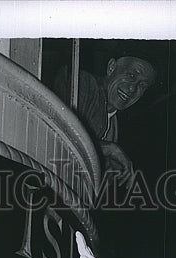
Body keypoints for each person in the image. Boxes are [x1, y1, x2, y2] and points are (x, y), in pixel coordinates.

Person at [55, 55, 157, 185]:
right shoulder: (83, 82)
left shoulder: (113, 123)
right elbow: (60, 134)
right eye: (131, 76)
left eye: (142, 85)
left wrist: (111, 171)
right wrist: (108, 149)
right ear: (111, 67)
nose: (132, 88)